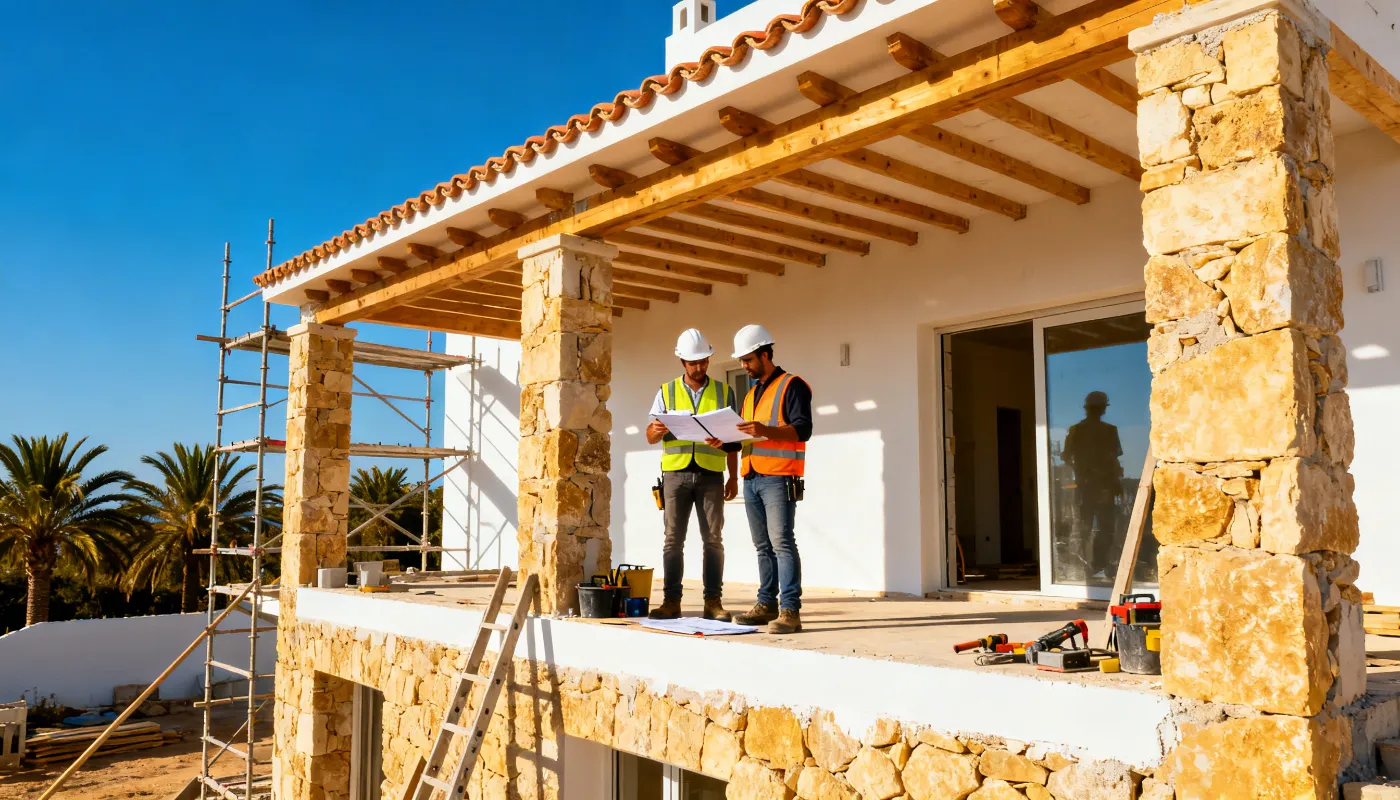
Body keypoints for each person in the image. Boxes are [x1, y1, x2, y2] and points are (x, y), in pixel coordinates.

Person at [720, 325, 813, 634]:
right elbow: (748, 437)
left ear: (764, 354)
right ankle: (766, 604)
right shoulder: (750, 396)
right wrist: (724, 442)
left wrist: (764, 430)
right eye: (742, 361)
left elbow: (803, 429)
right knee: (763, 546)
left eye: (748, 360)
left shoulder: (792, 385)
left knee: (782, 543)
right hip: (752, 476)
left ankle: (790, 611)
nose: (744, 366)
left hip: (779, 477)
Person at [645, 329, 740, 621]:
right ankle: (671, 602)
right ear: (682, 362)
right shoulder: (666, 391)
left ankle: (713, 602)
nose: (699, 367)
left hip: (712, 474)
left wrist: (734, 477)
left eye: (703, 361)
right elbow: (650, 436)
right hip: (676, 475)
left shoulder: (725, 392)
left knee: (713, 539)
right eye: (693, 362)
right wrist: (656, 429)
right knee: (673, 540)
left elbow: (734, 439)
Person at [1062, 390, 1124, 581]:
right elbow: (1113, 459)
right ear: (1103, 408)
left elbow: (1066, 456)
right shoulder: (1106, 430)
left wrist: (1082, 471)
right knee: (1095, 528)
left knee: (1086, 527)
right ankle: (1095, 564)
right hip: (1096, 486)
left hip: (1093, 486)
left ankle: (1091, 565)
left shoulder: (1078, 430)